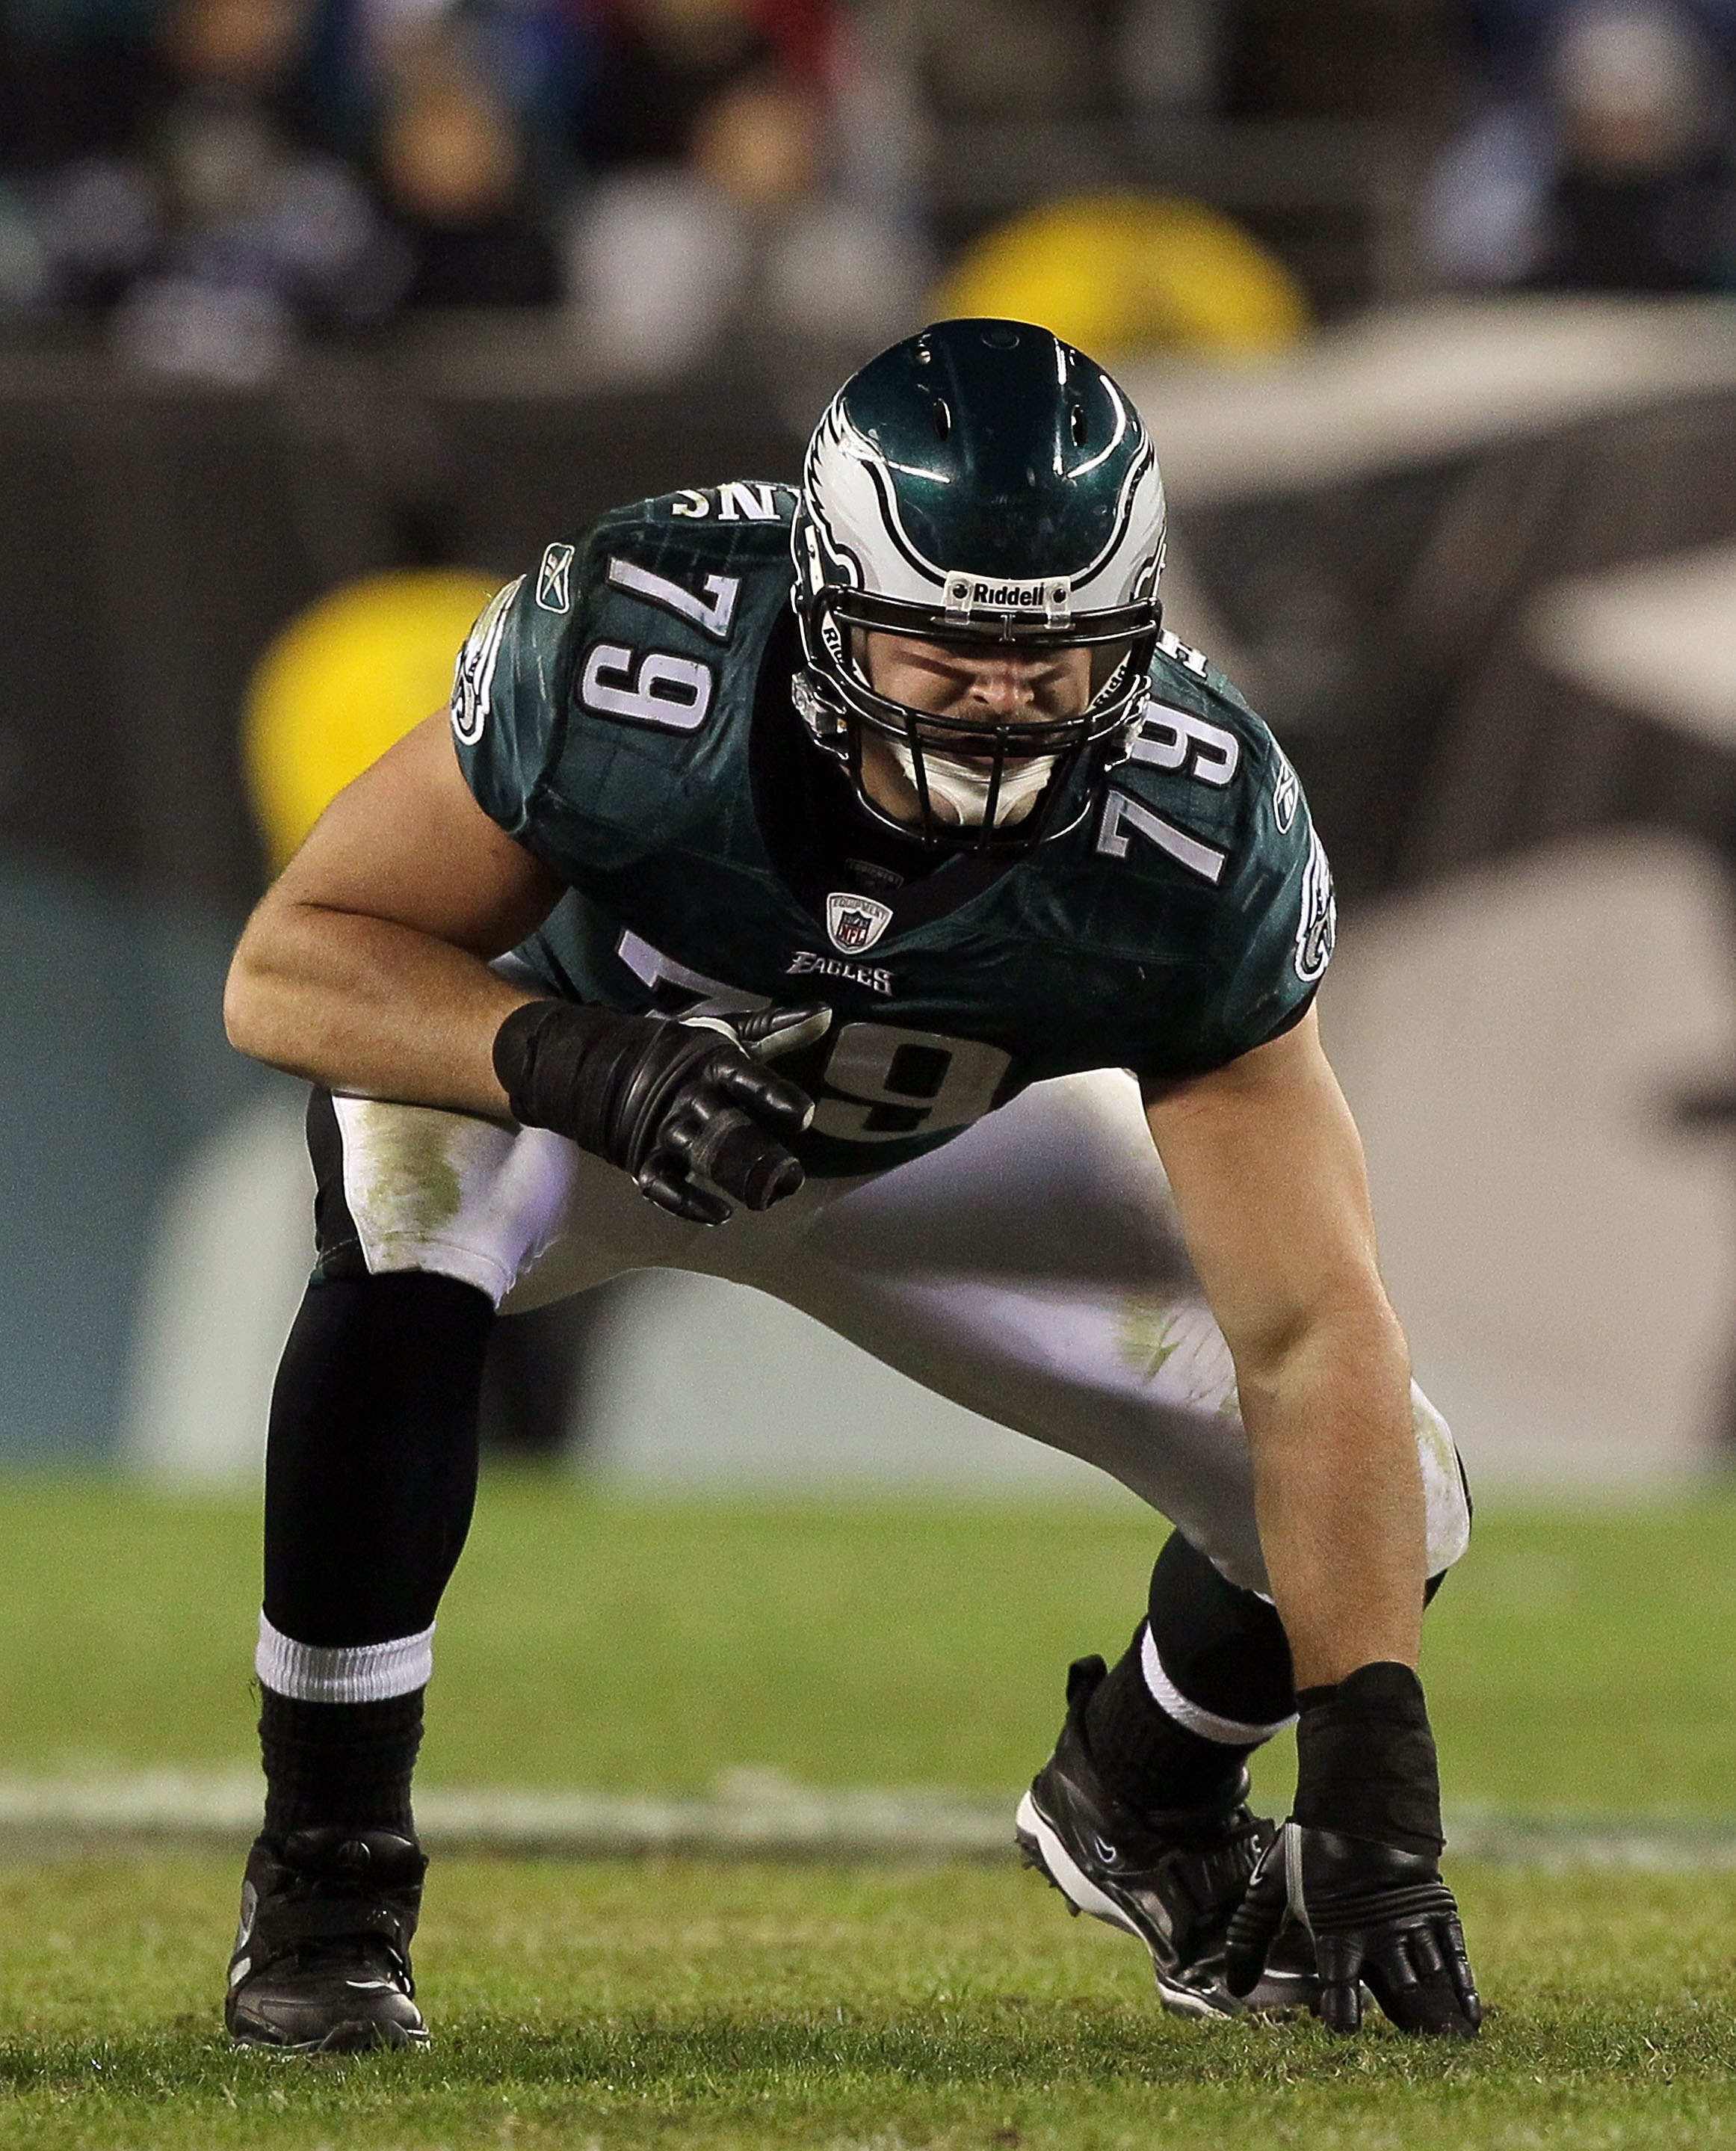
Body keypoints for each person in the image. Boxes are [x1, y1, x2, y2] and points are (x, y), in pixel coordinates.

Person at [220, 316, 1481, 2054]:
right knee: (402, 1206)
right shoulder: (640, 642)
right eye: (942, 646)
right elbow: (294, 966)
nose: (996, 701)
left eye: (1052, 663)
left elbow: (1308, 1336)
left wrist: (1374, 1781)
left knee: (1403, 1481)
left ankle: (1148, 1801)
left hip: (923, 1152)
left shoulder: (1203, 835)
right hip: (582, 1107)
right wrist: (588, 1060)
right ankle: (329, 1880)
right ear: (820, 598)